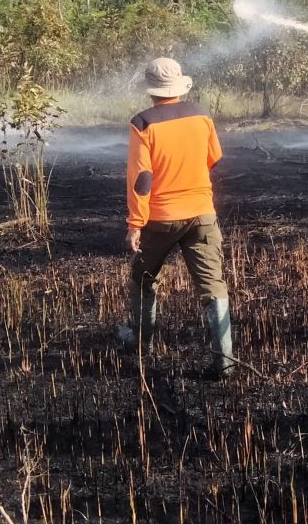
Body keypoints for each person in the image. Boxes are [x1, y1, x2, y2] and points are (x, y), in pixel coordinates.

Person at [118, 57, 234, 380]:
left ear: (151, 90)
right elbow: (213, 157)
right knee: (213, 285)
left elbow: (142, 180)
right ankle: (224, 360)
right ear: (179, 85)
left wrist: (134, 225)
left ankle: (141, 344)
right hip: (202, 214)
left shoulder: (143, 123)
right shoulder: (202, 114)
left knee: (142, 276)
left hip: (161, 219)